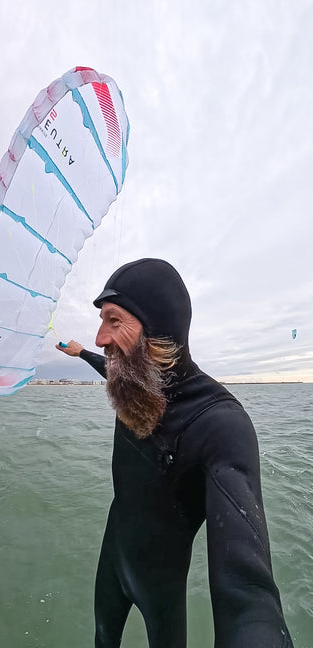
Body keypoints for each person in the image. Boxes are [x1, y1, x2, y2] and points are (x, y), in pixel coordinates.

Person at [55, 258, 293, 648]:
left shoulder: (221, 424)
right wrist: (80, 353)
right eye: (101, 321)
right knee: (102, 639)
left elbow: (248, 590)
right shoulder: (133, 382)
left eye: (114, 321)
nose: (100, 338)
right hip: (112, 556)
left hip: (161, 587)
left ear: (157, 329)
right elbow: (108, 366)